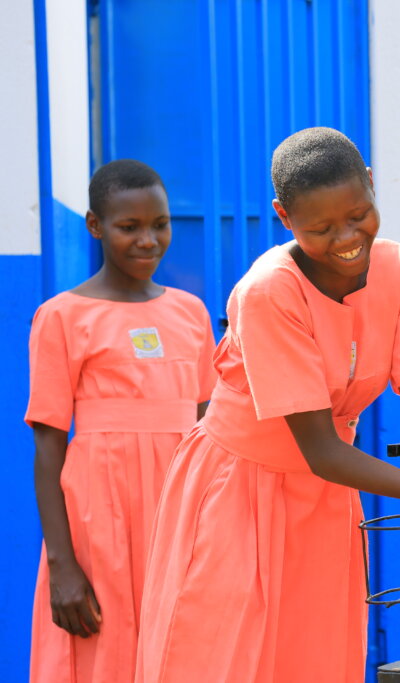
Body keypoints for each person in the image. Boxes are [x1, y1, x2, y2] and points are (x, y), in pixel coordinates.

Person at [135, 127, 400, 682]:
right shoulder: (269, 293)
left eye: (358, 214)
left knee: (313, 661)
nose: (346, 238)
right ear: (284, 218)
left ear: (372, 187)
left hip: (325, 502)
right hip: (235, 493)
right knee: (221, 657)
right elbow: (321, 449)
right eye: (320, 228)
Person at [26, 160, 216, 683]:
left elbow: (209, 432)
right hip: (99, 518)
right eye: (128, 227)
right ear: (94, 225)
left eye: (159, 224)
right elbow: (48, 445)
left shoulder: (192, 313)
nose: (148, 240)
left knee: (182, 647)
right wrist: (62, 566)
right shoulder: (62, 316)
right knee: (103, 648)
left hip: (179, 515)